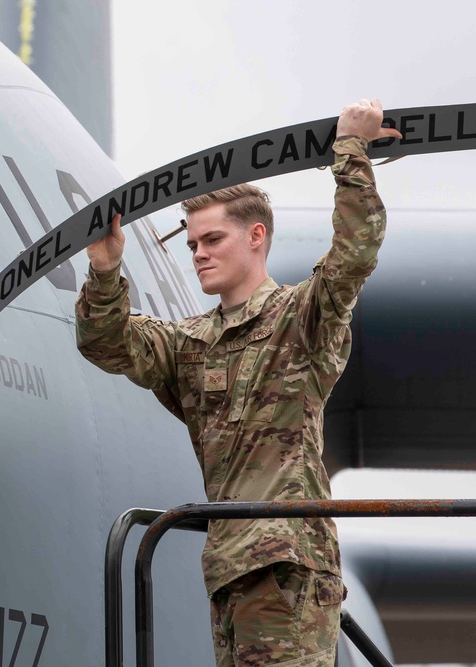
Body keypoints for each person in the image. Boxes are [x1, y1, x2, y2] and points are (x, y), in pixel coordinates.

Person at [76, 99, 402, 667]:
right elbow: (105, 342)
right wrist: (106, 268)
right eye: (193, 244)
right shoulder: (190, 343)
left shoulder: (300, 319)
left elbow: (354, 255)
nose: (199, 254)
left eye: (212, 240)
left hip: (286, 564)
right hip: (228, 566)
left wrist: (350, 151)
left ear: (256, 236)